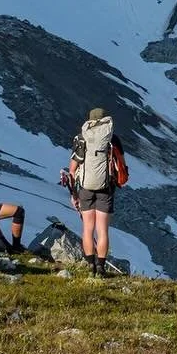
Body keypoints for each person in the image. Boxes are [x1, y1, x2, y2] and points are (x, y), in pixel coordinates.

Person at [68, 108, 127, 278]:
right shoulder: (112, 139)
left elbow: (72, 169)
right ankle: (101, 268)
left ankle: (90, 266)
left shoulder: (81, 138)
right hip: (106, 188)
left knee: (87, 228)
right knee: (103, 230)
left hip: (86, 188)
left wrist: (74, 194)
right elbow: (121, 164)